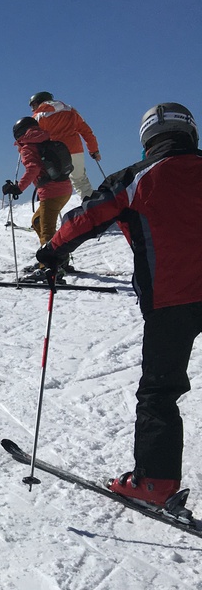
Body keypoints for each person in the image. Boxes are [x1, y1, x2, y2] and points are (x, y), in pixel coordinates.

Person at [37, 102, 202, 506]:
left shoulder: (135, 177)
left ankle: (155, 483)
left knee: (160, 391)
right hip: (173, 298)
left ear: (147, 140)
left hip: (171, 301)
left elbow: (86, 218)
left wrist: (52, 251)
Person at [3, 116, 75, 278]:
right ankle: (59, 259)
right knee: (37, 221)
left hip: (51, 192)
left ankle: (50, 268)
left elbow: (33, 169)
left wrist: (18, 188)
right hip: (65, 189)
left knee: (46, 231)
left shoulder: (28, 147)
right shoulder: (45, 140)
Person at [30, 92, 102, 198]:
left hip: (56, 153)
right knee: (80, 181)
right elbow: (86, 131)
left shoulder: (38, 116)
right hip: (75, 149)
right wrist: (94, 150)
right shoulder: (70, 109)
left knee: (55, 183)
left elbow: (32, 138)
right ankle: (93, 204)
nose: (32, 109)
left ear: (39, 102)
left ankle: (54, 206)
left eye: (33, 105)